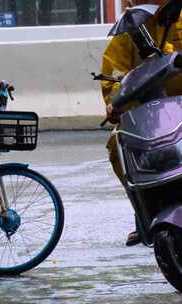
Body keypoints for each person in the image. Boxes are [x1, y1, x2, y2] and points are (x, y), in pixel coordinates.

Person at [100, 0, 182, 246]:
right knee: (118, 148)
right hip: (146, 113)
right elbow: (112, 76)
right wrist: (115, 101)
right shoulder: (129, 30)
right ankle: (144, 211)